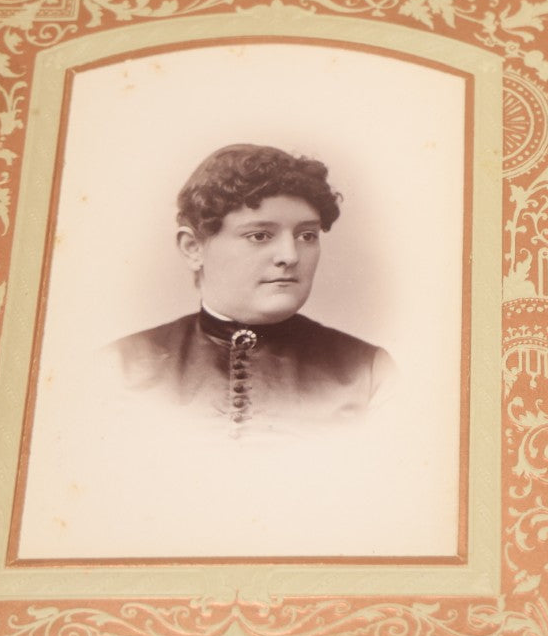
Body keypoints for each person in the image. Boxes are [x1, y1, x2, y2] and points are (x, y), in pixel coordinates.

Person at [108, 143, 393, 437]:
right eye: (259, 236)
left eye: (307, 235)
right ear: (193, 248)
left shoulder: (368, 374)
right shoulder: (118, 369)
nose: (290, 255)